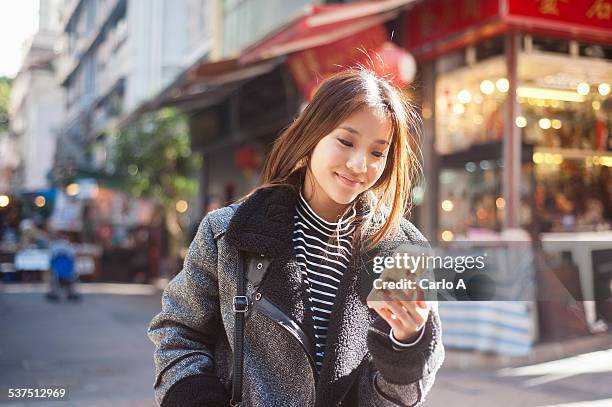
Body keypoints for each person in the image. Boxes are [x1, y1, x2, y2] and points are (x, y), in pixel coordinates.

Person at [148, 69, 444, 407]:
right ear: (311, 136)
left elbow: (394, 399)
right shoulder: (228, 233)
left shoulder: (403, 250)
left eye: (378, 153)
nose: (359, 163)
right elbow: (178, 332)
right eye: (345, 141)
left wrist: (407, 344)